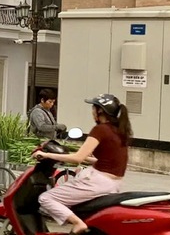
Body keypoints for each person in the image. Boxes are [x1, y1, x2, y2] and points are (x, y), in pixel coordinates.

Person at [36, 93, 133, 234]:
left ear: (100, 111)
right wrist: (78, 156)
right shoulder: (119, 130)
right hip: (113, 184)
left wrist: (45, 154)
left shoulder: (100, 130)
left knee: (46, 198)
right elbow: (103, 160)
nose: (92, 112)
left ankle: (78, 224)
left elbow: (78, 159)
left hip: (96, 182)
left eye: (93, 108)